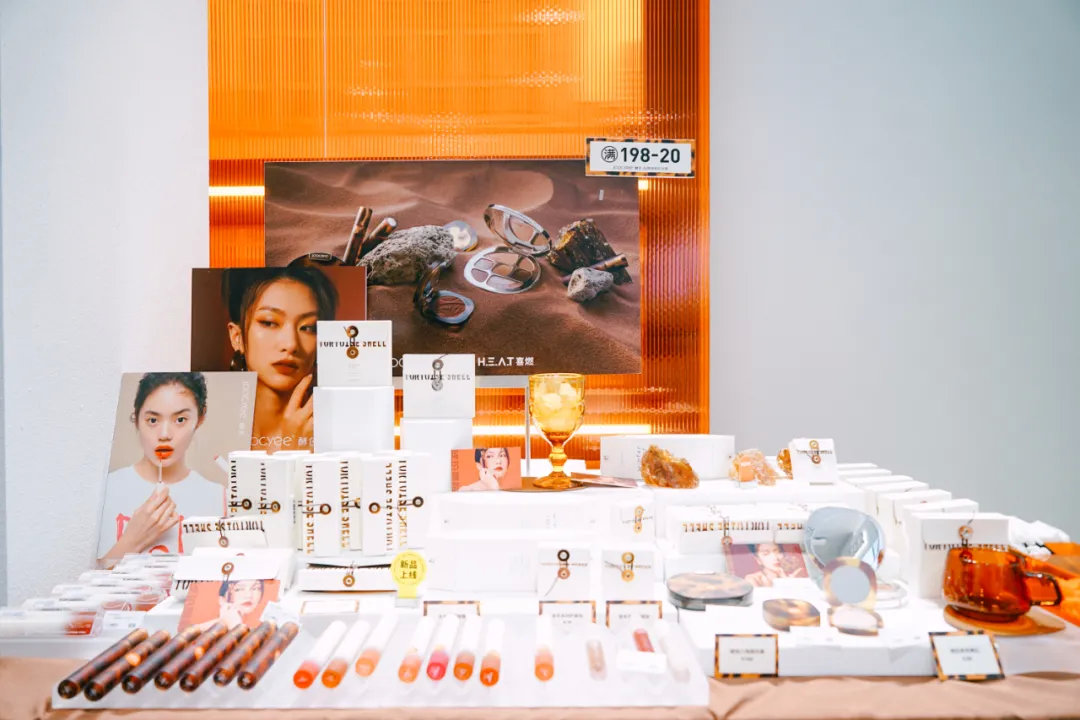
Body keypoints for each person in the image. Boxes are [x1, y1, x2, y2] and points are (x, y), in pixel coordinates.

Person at [98, 372, 223, 561]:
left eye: (180, 420)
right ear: (136, 418)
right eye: (153, 420)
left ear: (200, 418)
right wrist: (131, 541)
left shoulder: (219, 498)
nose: (164, 434)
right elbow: (90, 573)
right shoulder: (107, 489)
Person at [222, 267, 338, 452]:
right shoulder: (204, 431)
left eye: (308, 328)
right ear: (237, 337)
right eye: (269, 322)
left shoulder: (338, 433)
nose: (291, 344)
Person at [744, 542, 808, 587]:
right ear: (758, 560)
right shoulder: (754, 579)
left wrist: (790, 583)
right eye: (766, 554)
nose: (775, 557)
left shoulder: (791, 576)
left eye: (778, 552)